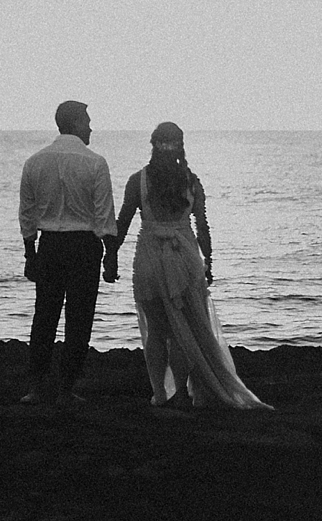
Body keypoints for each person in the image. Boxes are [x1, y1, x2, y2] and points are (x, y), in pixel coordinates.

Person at [114, 121, 269, 410]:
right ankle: (181, 395)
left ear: (152, 144)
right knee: (181, 330)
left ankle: (161, 393)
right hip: (184, 258)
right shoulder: (192, 181)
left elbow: (122, 223)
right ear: (180, 146)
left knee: (158, 330)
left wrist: (109, 257)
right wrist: (208, 262)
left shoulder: (138, 180)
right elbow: (203, 227)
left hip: (149, 257)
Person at [17, 100, 119, 404]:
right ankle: (66, 388)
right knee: (80, 318)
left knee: (44, 316)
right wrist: (110, 256)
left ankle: (36, 386)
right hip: (84, 246)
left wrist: (29, 253)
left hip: (50, 245)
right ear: (74, 123)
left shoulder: (35, 162)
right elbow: (104, 215)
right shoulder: (95, 162)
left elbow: (27, 212)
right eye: (87, 120)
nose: (90, 126)